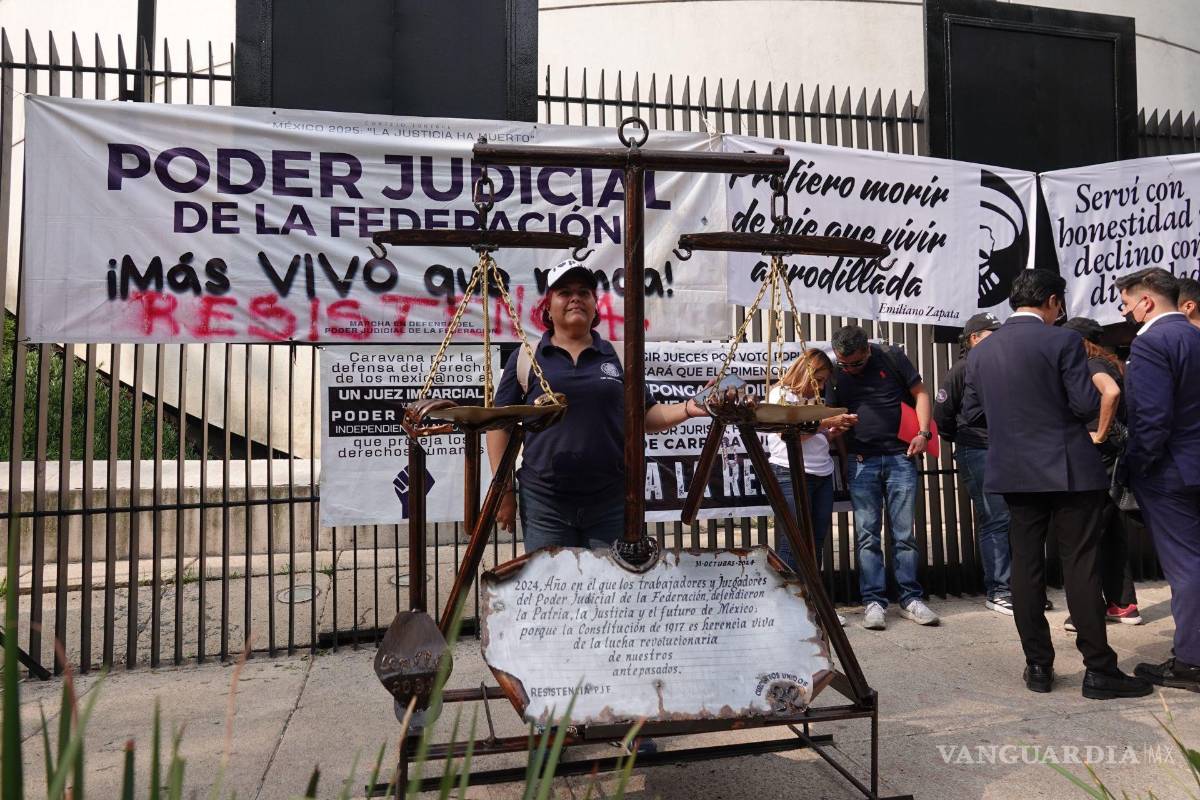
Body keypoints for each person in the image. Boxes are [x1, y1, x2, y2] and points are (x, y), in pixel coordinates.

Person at [962, 269, 1150, 699]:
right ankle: (1099, 670)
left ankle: (1039, 667)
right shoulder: (1063, 340)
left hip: (1014, 469)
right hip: (1069, 467)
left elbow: (970, 414)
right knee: (1080, 565)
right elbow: (1086, 404)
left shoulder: (981, 352)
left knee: (1024, 570)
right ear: (1052, 301)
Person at [487, 259, 704, 550]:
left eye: (584, 292)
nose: (575, 297)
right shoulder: (526, 358)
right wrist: (504, 493)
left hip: (611, 502)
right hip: (544, 502)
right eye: (564, 292)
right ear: (548, 308)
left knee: (608, 591)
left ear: (594, 305)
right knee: (551, 591)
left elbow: (645, 416)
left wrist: (689, 407)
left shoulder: (619, 356)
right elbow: (500, 425)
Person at [1115, 268, 1200, 693]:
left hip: (1170, 471)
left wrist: (1136, 466)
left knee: (1186, 567)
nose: (1127, 313)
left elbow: (1152, 419)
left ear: (1147, 301)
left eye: (1127, 304)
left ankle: (1191, 661)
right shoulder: (1195, 336)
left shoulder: (1151, 343)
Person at [827, 325, 939, 630]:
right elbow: (830, 414)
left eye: (856, 363)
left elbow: (922, 393)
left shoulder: (891, 357)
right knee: (867, 534)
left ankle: (910, 598)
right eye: (844, 364)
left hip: (900, 456)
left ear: (868, 350)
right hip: (861, 460)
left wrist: (923, 433)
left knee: (904, 534)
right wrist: (842, 448)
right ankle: (873, 601)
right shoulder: (833, 372)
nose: (849, 369)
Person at [1059, 317, 1141, 631]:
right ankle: (1122, 604)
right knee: (1111, 533)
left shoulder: (1091, 365)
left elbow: (1110, 394)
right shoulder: (1112, 363)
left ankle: (1086, 610)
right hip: (1113, 460)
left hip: (1098, 458)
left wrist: (1099, 433)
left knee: (1086, 534)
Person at [765, 349, 856, 627]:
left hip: (821, 472)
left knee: (815, 542)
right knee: (793, 543)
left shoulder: (814, 397)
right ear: (807, 372)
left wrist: (832, 432)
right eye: (820, 379)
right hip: (790, 473)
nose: (823, 385)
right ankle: (789, 609)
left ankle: (812, 604)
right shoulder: (781, 395)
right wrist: (826, 422)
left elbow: (812, 434)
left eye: (826, 380)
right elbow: (786, 432)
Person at [934, 312, 1015, 616]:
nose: (999, 338)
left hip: (1008, 449)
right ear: (973, 338)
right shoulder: (962, 369)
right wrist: (966, 438)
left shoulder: (1007, 366)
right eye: (992, 332)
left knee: (1015, 519)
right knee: (995, 519)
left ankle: (1018, 589)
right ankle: (1000, 590)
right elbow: (942, 415)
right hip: (978, 450)